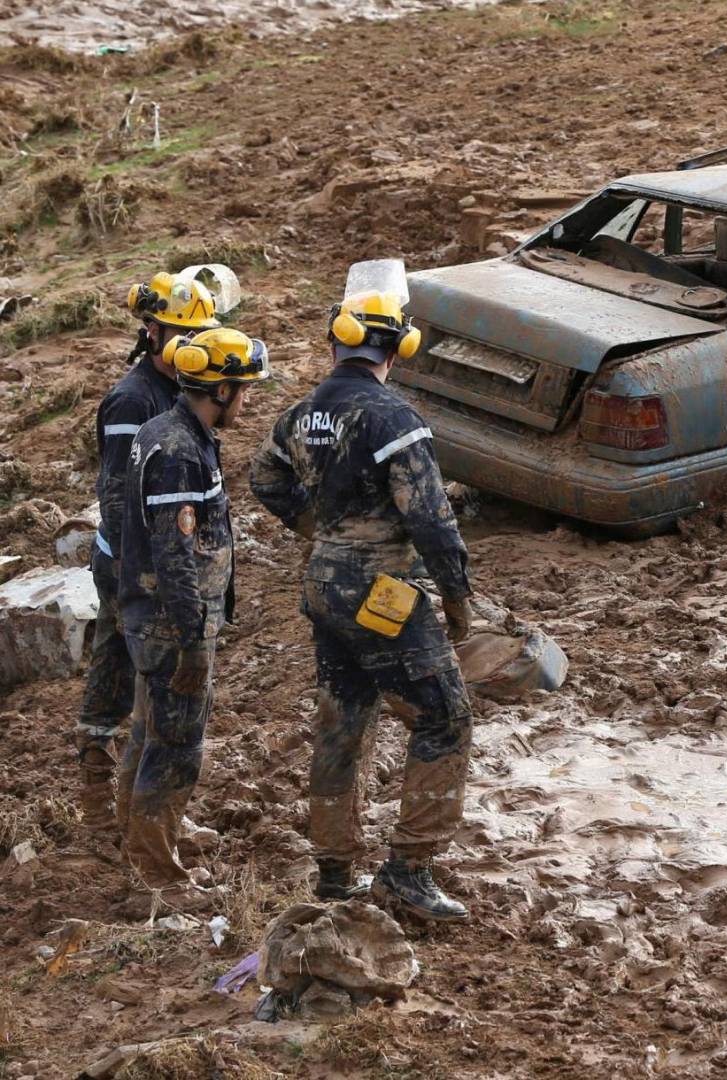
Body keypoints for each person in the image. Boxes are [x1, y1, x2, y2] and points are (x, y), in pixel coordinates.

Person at [250, 286, 475, 921]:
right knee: (445, 716)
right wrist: (459, 604)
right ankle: (409, 870)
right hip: (382, 592)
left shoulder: (299, 415)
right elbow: (432, 522)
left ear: (336, 340)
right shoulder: (395, 420)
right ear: (400, 348)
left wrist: (319, 529)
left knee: (343, 718)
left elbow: (264, 477)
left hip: (323, 584)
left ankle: (333, 872)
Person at [117, 327, 266, 906]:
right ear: (221, 388)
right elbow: (175, 555)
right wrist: (193, 642)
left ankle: (144, 833)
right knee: (176, 743)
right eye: (243, 389)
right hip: (170, 623)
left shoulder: (172, 431)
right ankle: (156, 871)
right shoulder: (179, 450)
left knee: (148, 730)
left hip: (155, 617)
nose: (247, 401)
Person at [74, 273, 220, 829]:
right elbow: (116, 494)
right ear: (152, 331)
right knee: (125, 669)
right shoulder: (134, 399)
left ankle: (128, 809)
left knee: (130, 668)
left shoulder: (180, 389)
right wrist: (148, 571)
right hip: (129, 562)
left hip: (146, 560)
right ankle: (104, 797)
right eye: (181, 335)